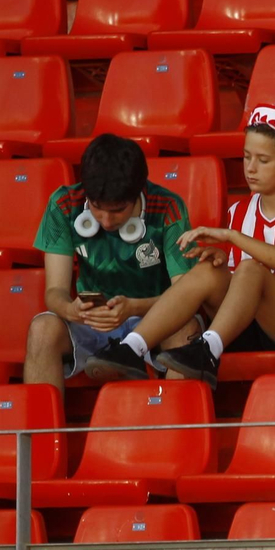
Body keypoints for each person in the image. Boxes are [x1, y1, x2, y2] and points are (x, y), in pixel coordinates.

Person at [85, 100, 275, 388]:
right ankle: (132, 347)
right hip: (253, 325)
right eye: (246, 157)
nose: (251, 168)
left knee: (250, 270)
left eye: (263, 160)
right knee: (208, 270)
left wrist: (232, 237)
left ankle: (207, 349)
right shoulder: (240, 211)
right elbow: (240, 283)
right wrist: (221, 260)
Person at [25, 134, 195, 391]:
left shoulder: (169, 207)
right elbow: (55, 291)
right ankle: (42, 420)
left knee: (186, 330)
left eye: (117, 210)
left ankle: (173, 418)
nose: (105, 220)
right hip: (90, 321)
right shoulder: (63, 204)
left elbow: (185, 295)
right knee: (41, 330)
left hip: (152, 319)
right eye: (96, 207)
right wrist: (71, 310)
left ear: (137, 193)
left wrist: (133, 307)